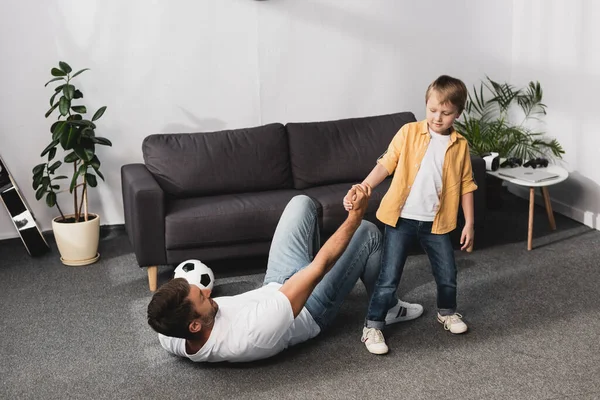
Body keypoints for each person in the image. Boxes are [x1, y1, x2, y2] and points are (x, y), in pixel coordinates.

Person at [147, 187, 422, 363]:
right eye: (201, 298)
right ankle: (387, 308)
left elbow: (162, 317)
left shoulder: (170, 335)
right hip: (309, 309)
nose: (208, 291)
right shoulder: (249, 335)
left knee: (301, 203)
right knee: (365, 231)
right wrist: (354, 217)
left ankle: (338, 273)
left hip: (275, 284)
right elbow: (318, 268)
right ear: (195, 326)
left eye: (200, 289)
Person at [344, 75, 478, 355]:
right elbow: (386, 163)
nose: (437, 117)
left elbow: (467, 184)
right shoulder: (408, 132)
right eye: (432, 110)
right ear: (426, 105)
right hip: (401, 220)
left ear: (458, 113)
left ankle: (447, 312)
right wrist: (364, 186)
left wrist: (470, 223)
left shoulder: (460, 145)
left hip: (437, 223)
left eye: (446, 112)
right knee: (389, 276)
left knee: (447, 273)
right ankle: (373, 326)